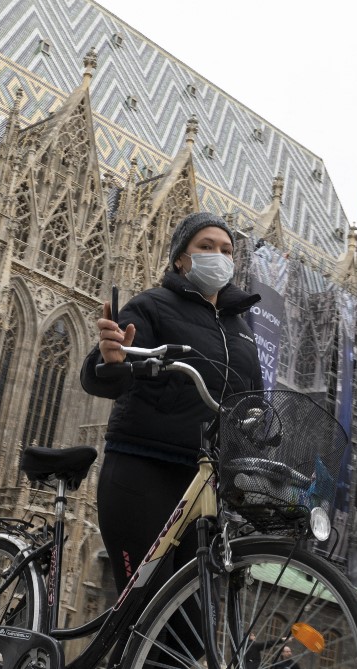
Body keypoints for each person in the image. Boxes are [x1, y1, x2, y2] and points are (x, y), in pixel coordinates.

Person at [80, 211, 262, 593]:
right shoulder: (152, 305)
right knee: (144, 607)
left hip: (205, 482)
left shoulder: (242, 333)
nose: (219, 256)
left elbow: (254, 404)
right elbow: (101, 374)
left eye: (227, 250)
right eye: (206, 246)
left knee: (194, 627)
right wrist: (111, 360)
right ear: (181, 257)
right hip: (144, 468)